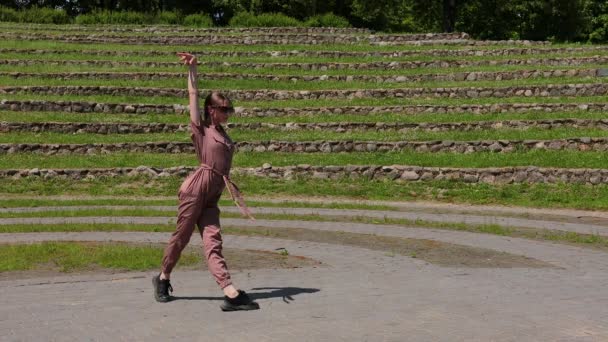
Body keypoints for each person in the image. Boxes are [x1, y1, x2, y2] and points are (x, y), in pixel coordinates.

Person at [152, 52, 259, 312]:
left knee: (213, 241)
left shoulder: (223, 133)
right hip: (195, 189)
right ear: (211, 110)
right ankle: (163, 278)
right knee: (182, 237)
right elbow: (193, 95)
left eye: (230, 109)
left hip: (213, 194)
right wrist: (193, 70)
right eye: (224, 109)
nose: (229, 113)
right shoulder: (201, 129)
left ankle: (229, 292)